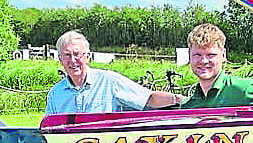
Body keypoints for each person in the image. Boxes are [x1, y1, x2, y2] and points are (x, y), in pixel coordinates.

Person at [44, 31, 184, 115]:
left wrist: (182, 100)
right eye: (67, 55)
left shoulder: (109, 81)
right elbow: (48, 130)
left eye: (77, 54)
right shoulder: (55, 94)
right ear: (60, 59)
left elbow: (148, 98)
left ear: (87, 56)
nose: (72, 60)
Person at [180, 24, 253, 108]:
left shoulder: (245, 90)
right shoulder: (187, 106)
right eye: (197, 55)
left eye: (210, 55)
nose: (203, 61)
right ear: (189, 56)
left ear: (223, 55)